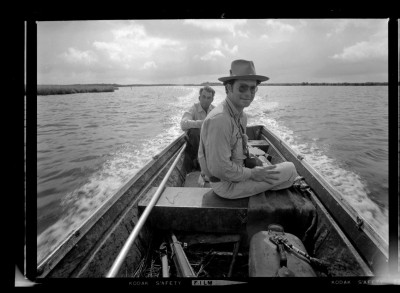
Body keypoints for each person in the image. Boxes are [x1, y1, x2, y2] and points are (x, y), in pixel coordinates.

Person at [198, 59, 299, 199]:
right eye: (242, 88)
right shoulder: (220, 120)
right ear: (228, 88)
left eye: (253, 88)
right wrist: (253, 173)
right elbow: (219, 169)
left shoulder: (241, 116)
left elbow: (237, 150)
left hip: (237, 175)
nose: (249, 93)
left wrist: (250, 162)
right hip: (226, 185)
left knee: (272, 167)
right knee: (290, 169)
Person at [180, 85, 215, 170]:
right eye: (203, 97)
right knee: (194, 132)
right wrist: (202, 123)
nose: (206, 100)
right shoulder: (193, 108)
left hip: (210, 143)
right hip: (196, 144)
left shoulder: (215, 111)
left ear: (212, 100)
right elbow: (183, 124)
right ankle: (196, 162)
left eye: (208, 98)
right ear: (199, 98)